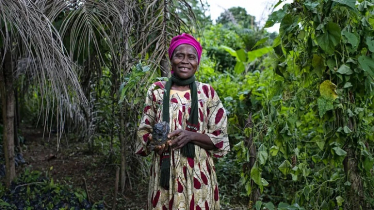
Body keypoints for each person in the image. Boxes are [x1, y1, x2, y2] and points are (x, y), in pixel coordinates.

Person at [136, 33, 230, 209]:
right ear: (171, 59)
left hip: (199, 176)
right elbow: (143, 132)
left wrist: (191, 136)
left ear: (197, 62)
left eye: (191, 57)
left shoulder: (207, 93)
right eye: (179, 55)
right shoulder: (157, 91)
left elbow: (220, 138)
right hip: (165, 174)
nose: (185, 61)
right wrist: (155, 140)